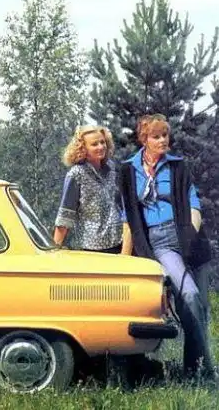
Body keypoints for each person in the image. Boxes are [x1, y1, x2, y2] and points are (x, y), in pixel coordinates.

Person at [119, 113, 215, 379]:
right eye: (156, 136)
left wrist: (189, 239)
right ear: (144, 139)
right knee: (190, 295)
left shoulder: (177, 166)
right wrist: (124, 259)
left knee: (197, 307)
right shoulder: (129, 170)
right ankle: (202, 371)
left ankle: (197, 370)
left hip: (189, 239)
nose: (163, 140)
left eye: (165, 135)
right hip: (160, 242)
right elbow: (128, 217)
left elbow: (194, 206)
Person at [53, 125, 123, 253]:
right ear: (83, 148)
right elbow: (66, 214)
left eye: (102, 142)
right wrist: (54, 250)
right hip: (91, 246)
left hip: (119, 242)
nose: (101, 147)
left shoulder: (112, 168)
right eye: (94, 144)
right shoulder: (76, 174)